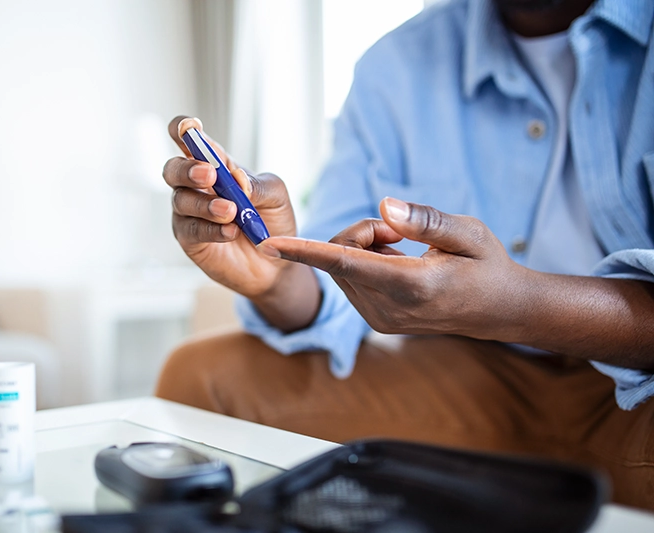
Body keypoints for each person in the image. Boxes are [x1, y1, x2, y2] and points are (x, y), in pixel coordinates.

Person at [156, 0, 654, 509]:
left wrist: (520, 305)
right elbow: (331, 279)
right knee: (202, 375)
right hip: (473, 377)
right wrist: (278, 281)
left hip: (640, 392)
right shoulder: (395, 66)